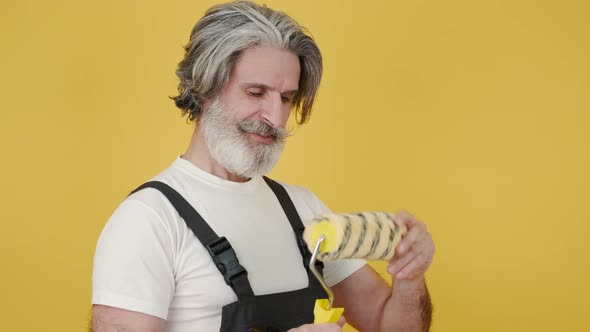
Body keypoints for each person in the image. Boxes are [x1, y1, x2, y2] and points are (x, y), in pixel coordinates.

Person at [91, 1, 435, 331]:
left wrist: (410, 273)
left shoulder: (303, 209)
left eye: (286, 98)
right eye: (256, 92)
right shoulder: (149, 219)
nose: (275, 117)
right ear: (205, 88)